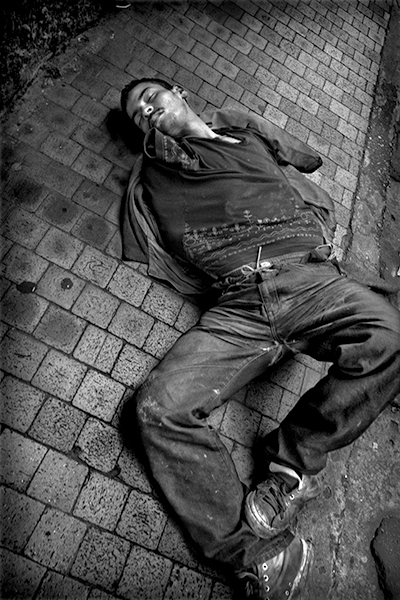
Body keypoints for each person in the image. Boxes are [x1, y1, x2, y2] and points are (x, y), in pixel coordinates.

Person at [119, 78, 400, 599]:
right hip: (239, 306)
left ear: (179, 91)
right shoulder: (159, 167)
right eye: (138, 116)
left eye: (152, 99)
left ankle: (289, 467)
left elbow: (305, 161)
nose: (147, 112)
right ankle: (261, 555)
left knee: (389, 337)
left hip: (308, 278)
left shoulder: (246, 136)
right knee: (157, 407)